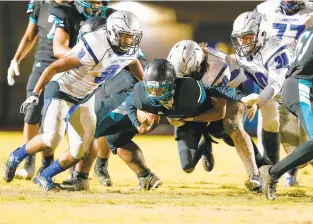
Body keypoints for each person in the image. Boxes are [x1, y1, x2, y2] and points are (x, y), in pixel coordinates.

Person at [3, 11, 144, 191]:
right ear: (113, 33)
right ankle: (16, 156)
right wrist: (35, 93)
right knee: (51, 139)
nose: (128, 41)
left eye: (132, 37)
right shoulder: (95, 46)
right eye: (124, 36)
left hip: (85, 95)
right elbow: (54, 67)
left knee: (80, 149)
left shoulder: (129, 48)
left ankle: (44, 176)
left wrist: (145, 83)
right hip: (62, 88)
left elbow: (133, 62)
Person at [125, 58, 261, 176]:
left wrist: (242, 98)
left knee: (227, 133)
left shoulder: (190, 90)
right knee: (187, 166)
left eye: (160, 89)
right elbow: (130, 104)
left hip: (202, 116)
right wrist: (137, 124)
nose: (155, 94)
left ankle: (260, 165)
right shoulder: (140, 95)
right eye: (151, 89)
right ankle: (204, 147)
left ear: (172, 85)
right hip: (185, 124)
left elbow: (219, 91)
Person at [167, 40, 270, 191]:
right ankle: (205, 143)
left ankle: (255, 175)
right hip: (209, 88)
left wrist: (186, 118)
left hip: (235, 88)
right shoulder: (181, 64)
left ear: (197, 64)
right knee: (188, 164)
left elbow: (218, 112)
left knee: (232, 126)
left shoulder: (216, 68)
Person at [255, 0, 313, 187]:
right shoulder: (265, 9)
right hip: (284, 78)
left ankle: (285, 171)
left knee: (304, 135)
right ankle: (271, 170)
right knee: (272, 123)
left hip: (301, 78)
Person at [7, 0, 64, 180]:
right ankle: (29, 162)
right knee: (31, 113)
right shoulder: (41, 4)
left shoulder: (78, 6)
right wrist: (16, 60)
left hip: (66, 65)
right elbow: (30, 36)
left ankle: (50, 163)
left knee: (60, 116)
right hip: (43, 63)